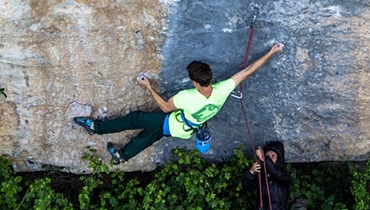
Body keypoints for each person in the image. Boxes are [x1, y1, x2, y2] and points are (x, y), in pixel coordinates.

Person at [73, 43, 284, 164]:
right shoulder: (223, 89)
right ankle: (122, 155)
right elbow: (248, 71)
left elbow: (165, 107)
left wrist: (148, 87)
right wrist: (271, 52)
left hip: (173, 122)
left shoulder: (187, 96)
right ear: (209, 77)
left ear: (194, 82)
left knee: (135, 118)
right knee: (149, 135)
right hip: (184, 130)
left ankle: (96, 127)